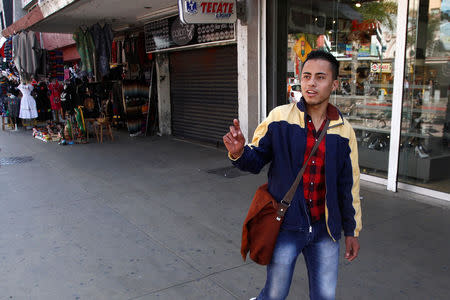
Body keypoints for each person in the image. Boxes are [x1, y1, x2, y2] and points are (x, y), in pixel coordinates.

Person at [223, 50, 361, 300]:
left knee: (325, 296)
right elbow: (255, 161)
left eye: (320, 77)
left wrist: (351, 231)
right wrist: (240, 152)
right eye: (306, 76)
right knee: (275, 294)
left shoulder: (344, 130)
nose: (311, 83)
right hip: (286, 224)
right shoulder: (280, 118)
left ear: (334, 84)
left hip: (326, 230)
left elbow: (348, 185)